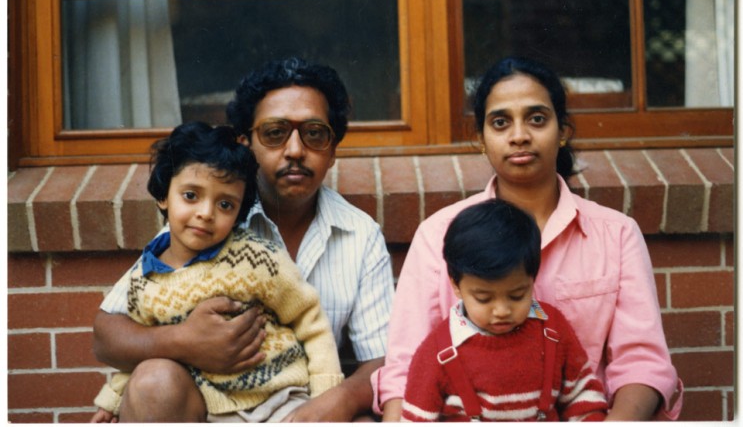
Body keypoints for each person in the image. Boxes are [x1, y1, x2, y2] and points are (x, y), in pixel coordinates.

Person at [373, 56, 683, 421]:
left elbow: (642, 364)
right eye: (500, 122)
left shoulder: (615, 234)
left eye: (537, 119)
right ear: (480, 139)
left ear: (563, 131)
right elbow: (405, 369)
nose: (519, 135)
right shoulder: (437, 235)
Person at [93, 57, 394, 422]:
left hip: (296, 403)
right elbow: (107, 334)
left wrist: (332, 403)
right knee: (153, 380)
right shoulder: (207, 222)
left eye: (315, 133)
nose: (296, 150)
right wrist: (187, 341)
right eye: (274, 132)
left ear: (332, 150)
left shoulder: (359, 236)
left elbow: (382, 360)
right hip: (206, 406)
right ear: (245, 143)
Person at [91, 121, 344, 422]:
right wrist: (112, 401)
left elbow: (309, 317)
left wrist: (326, 394)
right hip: (210, 409)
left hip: (281, 399)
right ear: (163, 196)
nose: (206, 213)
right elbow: (140, 355)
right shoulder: (144, 280)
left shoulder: (255, 257)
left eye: (225, 204)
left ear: (239, 212)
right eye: (191, 196)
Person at [401, 198, 607, 422]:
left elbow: (582, 399)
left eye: (516, 296)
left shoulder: (552, 330)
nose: (501, 310)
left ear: (532, 279)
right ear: (456, 285)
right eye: (484, 298)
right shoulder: (439, 353)